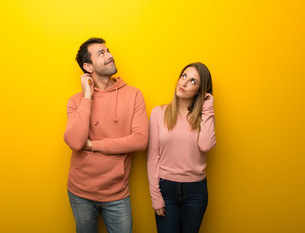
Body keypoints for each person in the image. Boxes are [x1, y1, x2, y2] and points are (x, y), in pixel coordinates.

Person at [64, 37, 149, 233]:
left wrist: (94, 145)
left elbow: (140, 140)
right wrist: (87, 97)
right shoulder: (75, 101)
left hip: (117, 194)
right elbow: (76, 142)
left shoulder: (134, 95)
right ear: (88, 66)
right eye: (101, 53)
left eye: (108, 51)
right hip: (80, 193)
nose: (110, 56)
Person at [147, 62, 216, 233]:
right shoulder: (158, 113)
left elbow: (206, 145)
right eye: (184, 76)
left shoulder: (204, 116)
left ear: (201, 91)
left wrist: (207, 107)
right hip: (166, 190)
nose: (184, 83)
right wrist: (156, 197)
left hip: (196, 192)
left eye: (193, 81)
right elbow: (152, 158)